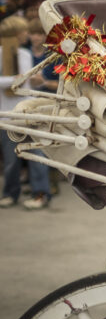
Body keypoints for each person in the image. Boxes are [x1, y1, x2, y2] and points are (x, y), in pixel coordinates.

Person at [0, 16, 50, 209]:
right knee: (11, 159)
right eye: (23, 32)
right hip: (6, 114)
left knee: (37, 154)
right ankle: (10, 193)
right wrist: (15, 79)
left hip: (27, 111)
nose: (27, 35)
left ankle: (41, 193)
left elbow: (26, 82)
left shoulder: (25, 54)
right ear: (15, 34)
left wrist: (31, 80)